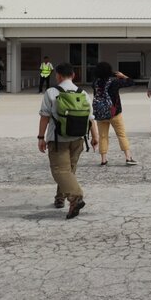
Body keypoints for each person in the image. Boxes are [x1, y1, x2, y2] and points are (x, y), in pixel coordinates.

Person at [38, 62, 97, 219]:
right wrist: (95, 136)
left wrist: (40, 137)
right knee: (68, 170)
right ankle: (61, 198)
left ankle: (75, 197)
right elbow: (91, 118)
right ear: (73, 75)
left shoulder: (51, 92)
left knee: (60, 170)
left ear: (57, 75)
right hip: (78, 138)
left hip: (58, 139)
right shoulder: (83, 93)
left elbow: (44, 116)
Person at [92, 62, 137, 166]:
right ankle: (128, 157)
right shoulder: (114, 82)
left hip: (100, 114)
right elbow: (131, 82)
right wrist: (122, 75)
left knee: (103, 136)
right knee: (121, 134)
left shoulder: (94, 83)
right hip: (114, 113)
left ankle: (103, 159)